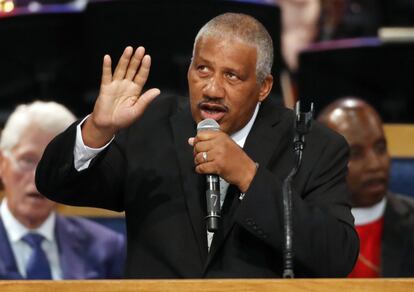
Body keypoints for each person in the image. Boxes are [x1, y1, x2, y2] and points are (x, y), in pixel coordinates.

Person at [36, 13, 358, 278]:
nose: (212, 89)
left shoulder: (312, 145)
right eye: (202, 69)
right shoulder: (150, 124)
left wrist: (249, 176)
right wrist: (97, 129)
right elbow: (55, 185)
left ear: (263, 87)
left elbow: (337, 256)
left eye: (232, 76)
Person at [0, 101, 125, 279]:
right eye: (27, 160)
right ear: (2, 163)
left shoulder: (106, 246)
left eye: (51, 165)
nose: (38, 177)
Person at [318, 97, 414, 277]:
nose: (375, 164)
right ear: (323, 162)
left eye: (380, 148)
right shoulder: (297, 228)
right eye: (355, 153)